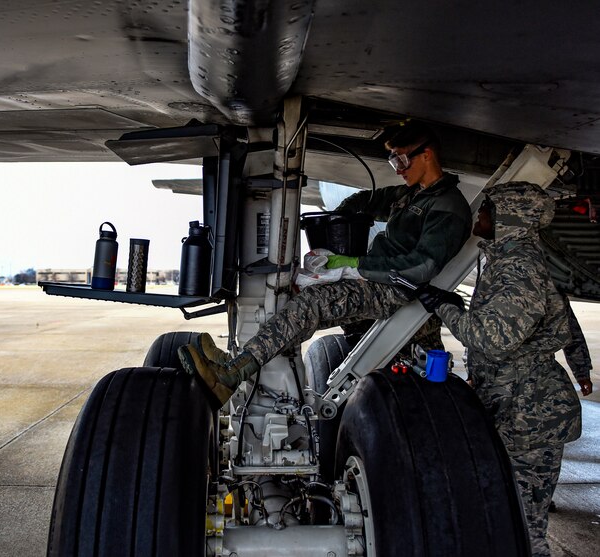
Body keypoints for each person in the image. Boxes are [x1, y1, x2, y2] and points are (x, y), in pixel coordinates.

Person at [178, 121, 473, 407]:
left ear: (426, 154)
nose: (399, 169)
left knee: (312, 303)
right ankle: (241, 359)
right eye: (394, 161)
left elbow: (421, 267)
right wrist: (340, 219)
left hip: (400, 289)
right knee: (291, 294)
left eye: (403, 160)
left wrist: (357, 264)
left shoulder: (448, 206)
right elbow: (366, 200)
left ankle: (231, 375)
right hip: (379, 280)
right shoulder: (411, 195)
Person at [417, 181, 582, 557]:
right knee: (505, 518)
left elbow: (492, 339)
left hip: (532, 417)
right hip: (514, 408)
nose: (481, 214)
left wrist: (442, 306)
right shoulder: (507, 260)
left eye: (488, 208)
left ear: (510, 217)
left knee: (525, 527)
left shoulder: (520, 268)